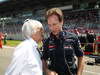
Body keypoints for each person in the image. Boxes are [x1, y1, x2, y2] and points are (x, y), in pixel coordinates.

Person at [42, 8, 84, 75]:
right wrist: (47, 71)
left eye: (54, 24)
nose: (52, 28)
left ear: (61, 22)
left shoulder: (73, 37)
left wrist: (79, 74)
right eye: (49, 25)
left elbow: (81, 56)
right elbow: (43, 59)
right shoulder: (47, 41)